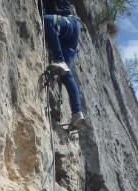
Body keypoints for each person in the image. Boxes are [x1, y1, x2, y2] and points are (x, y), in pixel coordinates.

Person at [41, 0, 85, 129]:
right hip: (70, 39)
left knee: (46, 20)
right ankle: (77, 113)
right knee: (66, 75)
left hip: (68, 23)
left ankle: (59, 59)